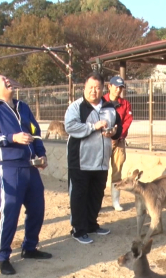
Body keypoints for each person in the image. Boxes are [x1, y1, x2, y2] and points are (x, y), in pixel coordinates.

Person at [0, 75, 51, 275]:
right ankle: (2, 256)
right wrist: (12, 137)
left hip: (30, 166)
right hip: (10, 167)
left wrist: (41, 153)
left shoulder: (23, 106)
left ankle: (29, 247)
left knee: (37, 208)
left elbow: (35, 131)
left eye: (7, 78)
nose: (7, 80)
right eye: (2, 80)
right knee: (10, 212)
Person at [64, 72, 121, 244]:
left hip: (101, 161)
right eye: (90, 88)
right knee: (79, 196)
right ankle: (78, 229)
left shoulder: (110, 107)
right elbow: (70, 127)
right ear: (84, 88)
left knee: (96, 195)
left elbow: (118, 126)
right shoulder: (77, 107)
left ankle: (91, 225)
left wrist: (113, 132)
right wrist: (93, 126)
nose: (93, 91)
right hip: (81, 161)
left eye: (97, 88)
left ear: (103, 88)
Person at [102, 75, 133, 211]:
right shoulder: (101, 101)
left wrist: (119, 134)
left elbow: (127, 121)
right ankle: (97, 201)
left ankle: (115, 201)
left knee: (117, 171)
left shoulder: (125, 104)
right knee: (100, 171)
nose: (118, 90)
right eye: (116, 87)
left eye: (121, 87)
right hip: (103, 140)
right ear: (109, 86)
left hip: (118, 141)